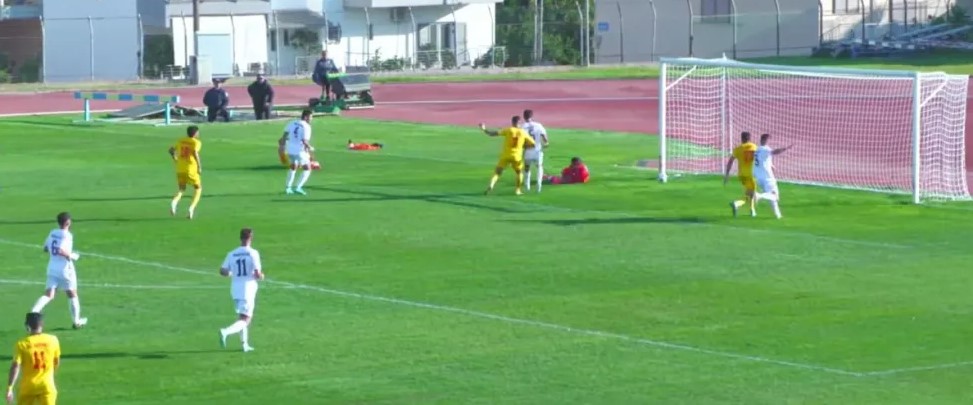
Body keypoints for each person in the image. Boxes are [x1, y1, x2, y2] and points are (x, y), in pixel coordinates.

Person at [30, 212, 87, 330]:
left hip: (52, 267)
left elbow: (45, 248)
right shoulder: (67, 235)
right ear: (68, 222)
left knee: (49, 294)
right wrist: (71, 255)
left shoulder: (52, 232)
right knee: (72, 293)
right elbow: (61, 250)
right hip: (65, 269)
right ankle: (76, 321)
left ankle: (34, 311)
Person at [218, 228, 264, 353]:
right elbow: (257, 274)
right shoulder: (253, 253)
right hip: (248, 289)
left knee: (242, 316)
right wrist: (261, 276)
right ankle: (225, 331)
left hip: (235, 289)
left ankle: (245, 344)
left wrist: (231, 273)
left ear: (240, 238)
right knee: (246, 319)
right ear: (251, 238)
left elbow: (222, 270)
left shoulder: (232, 253)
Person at [6, 313, 61, 405]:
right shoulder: (53, 340)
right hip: (47, 385)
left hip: (28, 386)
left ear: (27, 326)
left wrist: (10, 387)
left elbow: (16, 366)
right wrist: (48, 374)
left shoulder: (22, 344)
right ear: (42, 324)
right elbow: (56, 362)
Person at [478, 116, 536, 195]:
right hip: (517, 157)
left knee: (497, 172)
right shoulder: (523, 132)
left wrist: (484, 129)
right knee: (519, 173)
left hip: (505, 155)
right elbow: (533, 144)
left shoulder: (508, 130)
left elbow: (493, 134)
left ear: (512, 122)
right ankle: (518, 190)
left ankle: (491, 185)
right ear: (519, 123)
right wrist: (523, 146)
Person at [753, 133, 793, 219]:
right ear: (764, 140)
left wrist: (771, 165)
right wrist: (785, 148)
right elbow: (775, 152)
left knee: (771, 197)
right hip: (768, 178)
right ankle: (759, 196)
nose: (769, 141)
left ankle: (778, 215)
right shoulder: (765, 149)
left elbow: (762, 160)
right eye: (768, 140)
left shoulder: (757, 150)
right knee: (775, 196)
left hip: (759, 178)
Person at [168, 126, 203, 219]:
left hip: (180, 168)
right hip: (191, 169)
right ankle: (191, 208)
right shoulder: (196, 142)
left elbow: (171, 150)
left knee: (182, 189)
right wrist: (199, 166)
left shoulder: (181, 140)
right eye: (198, 132)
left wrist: (175, 158)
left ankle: (174, 202)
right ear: (195, 133)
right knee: (198, 188)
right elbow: (195, 152)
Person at [279, 110, 315, 195]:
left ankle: (288, 188)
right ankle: (298, 187)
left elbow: (284, 135)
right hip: (299, 151)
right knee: (307, 168)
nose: (311, 119)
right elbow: (305, 141)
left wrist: (282, 147)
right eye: (311, 117)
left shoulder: (292, 122)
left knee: (293, 167)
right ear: (306, 117)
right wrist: (310, 148)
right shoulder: (306, 126)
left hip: (290, 149)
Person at [723, 131, 758, 217]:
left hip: (741, 175)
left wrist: (727, 175)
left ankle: (752, 210)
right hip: (751, 174)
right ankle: (737, 203)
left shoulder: (737, 149)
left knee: (749, 192)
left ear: (741, 138)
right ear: (749, 138)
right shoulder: (754, 147)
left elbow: (730, 161)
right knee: (751, 193)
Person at [520, 109, 549, 193]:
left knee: (527, 168)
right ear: (532, 116)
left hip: (528, 150)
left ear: (524, 116)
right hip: (537, 150)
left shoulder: (522, 127)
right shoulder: (538, 125)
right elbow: (544, 136)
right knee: (539, 166)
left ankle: (527, 186)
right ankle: (539, 185)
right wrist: (546, 143)